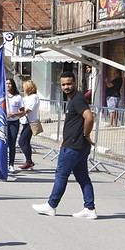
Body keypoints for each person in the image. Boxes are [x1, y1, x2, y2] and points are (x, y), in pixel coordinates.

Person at [33, 71, 96, 219]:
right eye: (63, 84)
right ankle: (90, 209)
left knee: (61, 175)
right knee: (82, 177)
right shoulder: (74, 100)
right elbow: (74, 123)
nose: (66, 87)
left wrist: (86, 135)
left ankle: (51, 205)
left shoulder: (78, 99)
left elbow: (89, 118)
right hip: (76, 145)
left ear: (75, 83)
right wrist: (64, 137)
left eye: (69, 83)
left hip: (73, 147)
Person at [17, 79, 41, 170]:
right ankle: (29, 160)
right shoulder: (25, 97)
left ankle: (29, 161)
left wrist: (16, 114)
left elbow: (28, 109)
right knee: (26, 142)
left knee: (22, 141)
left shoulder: (34, 97)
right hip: (25, 122)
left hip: (31, 122)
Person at [5, 78, 23, 174]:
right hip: (4, 122)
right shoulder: (3, 96)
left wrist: (14, 114)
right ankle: (3, 163)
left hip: (14, 122)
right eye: (6, 83)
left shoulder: (17, 97)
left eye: (10, 83)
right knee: (4, 143)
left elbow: (22, 111)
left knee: (12, 143)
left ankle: (11, 164)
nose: (8, 85)